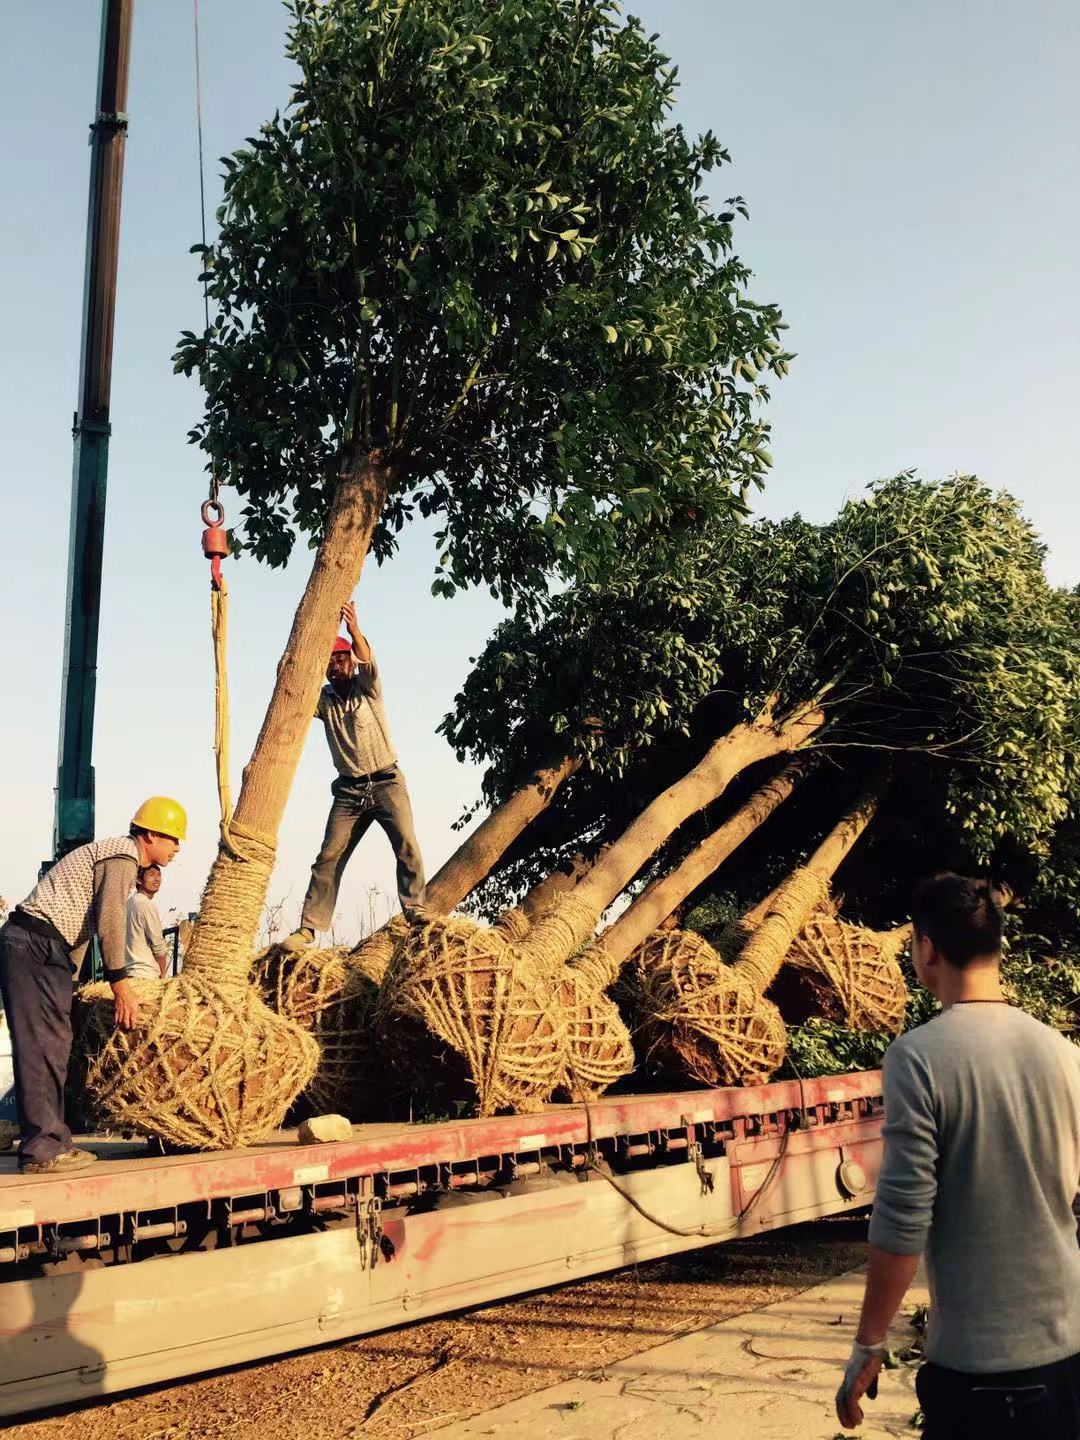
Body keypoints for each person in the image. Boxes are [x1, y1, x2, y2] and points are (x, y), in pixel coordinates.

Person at [836, 873, 1080, 1438]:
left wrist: (869, 1341)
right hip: (1067, 1352)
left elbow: (901, 1220)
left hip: (979, 1371)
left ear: (926, 949)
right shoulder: (1064, 1054)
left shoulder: (917, 1058)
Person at [0, 797, 186, 1174]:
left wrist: (70, 978)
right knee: (41, 1047)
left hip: (43, 949)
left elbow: (83, 928)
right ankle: (42, 1151)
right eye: (173, 839)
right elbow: (110, 921)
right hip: (34, 945)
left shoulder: (113, 855)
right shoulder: (122, 856)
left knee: (54, 1044)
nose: (177, 848)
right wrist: (119, 984)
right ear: (149, 834)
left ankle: (54, 1141)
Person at [282, 601, 425, 950]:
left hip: (386, 781)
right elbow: (288, 683)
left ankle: (416, 910)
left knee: (406, 844)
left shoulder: (367, 688)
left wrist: (355, 632)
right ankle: (309, 928)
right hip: (349, 792)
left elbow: (367, 657)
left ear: (351, 660)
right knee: (329, 856)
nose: (335, 666)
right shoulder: (322, 700)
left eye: (340, 658)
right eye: (328, 661)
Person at [125, 862, 169, 980]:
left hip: (128, 973)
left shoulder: (129, 903)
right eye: (151, 875)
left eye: (159, 875)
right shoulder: (145, 903)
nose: (157, 879)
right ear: (139, 880)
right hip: (145, 974)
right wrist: (163, 975)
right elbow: (158, 944)